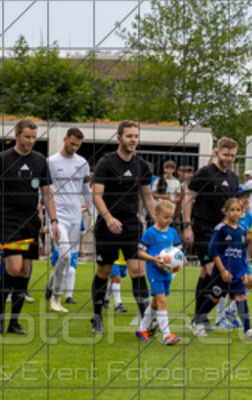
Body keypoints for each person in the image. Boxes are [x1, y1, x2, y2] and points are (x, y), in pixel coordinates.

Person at [0, 120, 58, 334]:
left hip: (31, 221)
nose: (31, 141)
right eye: (27, 137)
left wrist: (53, 220)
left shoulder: (40, 160)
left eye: (34, 137)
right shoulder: (2, 159)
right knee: (14, 268)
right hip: (9, 219)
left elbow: (46, 193)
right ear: (17, 135)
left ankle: (14, 321)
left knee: (25, 271)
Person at [89, 121, 159, 335]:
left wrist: (158, 223)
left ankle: (146, 323)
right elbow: (96, 195)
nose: (133, 140)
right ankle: (97, 317)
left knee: (138, 270)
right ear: (118, 138)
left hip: (131, 225)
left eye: (135, 136)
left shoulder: (141, 165)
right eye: (129, 136)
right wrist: (108, 218)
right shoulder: (106, 163)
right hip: (107, 225)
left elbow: (146, 195)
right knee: (105, 271)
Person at [182, 137, 239, 334]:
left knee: (206, 274)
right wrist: (187, 225)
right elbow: (188, 199)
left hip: (222, 233)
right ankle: (199, 319)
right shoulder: (204, 173)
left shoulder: (233, 178)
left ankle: (200, 318)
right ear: (217, 152)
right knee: (215, 272)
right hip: (203, 229)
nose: (228, 158)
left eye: (232, 155)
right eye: (225, 154)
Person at [191, 197, 252, 342]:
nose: (235, 213)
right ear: (225, 211)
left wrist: (245, 271)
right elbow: (213, 251)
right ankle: (197, 322)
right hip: (222, 272)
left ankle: (248, 330)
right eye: (232, 210)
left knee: (241, 298)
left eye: (238, 210)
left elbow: (242, 253)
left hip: (237, 272)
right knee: (214, 298)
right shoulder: (220, 229)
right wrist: (223, 271)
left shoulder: (242, 230)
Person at [45, 128, 90, 314]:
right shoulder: (51, 162)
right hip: (57, 216)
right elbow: (45, 190)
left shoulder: (82, 163)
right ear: (64, 140)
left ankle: (51, 282)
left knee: (67, 257)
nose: (74, 147)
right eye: (72, 143)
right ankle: (56, 297)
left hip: (75, 216)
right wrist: (48, 217)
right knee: (64, 256)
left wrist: (93, 213)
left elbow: (86, 189)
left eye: (78, 145)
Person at [135, 200, 182, 346]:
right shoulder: (150, 233)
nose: (169, 220)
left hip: (167, 273)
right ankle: (167, 335)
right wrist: (154, 259)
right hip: (154, 271)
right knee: (162, 301)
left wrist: (180, 260)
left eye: (171, 217)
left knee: (155, 303)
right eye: (165, 217)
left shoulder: (172, 232)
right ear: (156, 215)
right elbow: (140, 252)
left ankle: (142, 329)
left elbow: (178, 250)